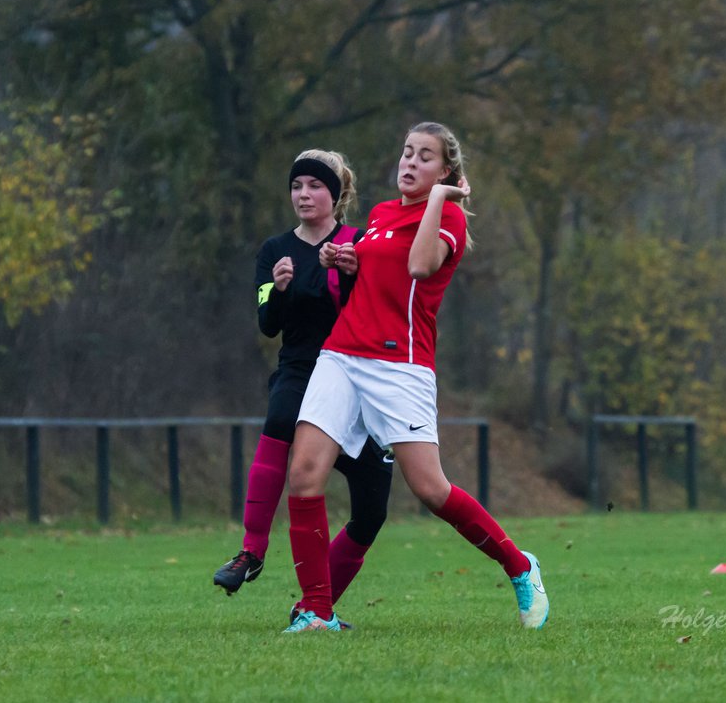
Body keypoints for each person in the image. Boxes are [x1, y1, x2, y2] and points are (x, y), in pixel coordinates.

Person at [282, 121, 549, 633]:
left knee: (429, 488)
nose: (409, 162)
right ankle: (317, 611)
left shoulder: (447, 217)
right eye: (406, 152)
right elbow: (377, 270)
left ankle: (520, 566)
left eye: (425, 157)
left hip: (398, 364)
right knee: (305, 474)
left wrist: (438, 200)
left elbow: (421, 266)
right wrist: (345, 258)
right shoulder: (381, 215)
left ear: (446, 172)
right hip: (341, 354)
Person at [213, 149, 393, 624]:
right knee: (278, 418)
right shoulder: (275, 252)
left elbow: (371, 313)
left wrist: (349, 272)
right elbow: (268, 323)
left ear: (335, 195)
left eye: (315, 186)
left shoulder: (356, 242)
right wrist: (279, 289)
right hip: (299, 369)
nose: (304, 194)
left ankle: (317, 604)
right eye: (297, 186)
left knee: (373, 505)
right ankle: (251, 551)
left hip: (354, 377)